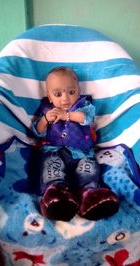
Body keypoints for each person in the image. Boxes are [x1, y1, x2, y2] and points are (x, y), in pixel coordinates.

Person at [32, 66, 119, 221]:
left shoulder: (84, 106)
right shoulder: (46, 108)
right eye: (58, 94)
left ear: (78, 91)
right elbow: (37, 130)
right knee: (52, 166)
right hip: (55, 150)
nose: (65, 98)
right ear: (50, 97)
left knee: (88, 169)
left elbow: (86, 118)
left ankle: (89, 195)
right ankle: (56, 193)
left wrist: (66, 115)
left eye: (71, 92)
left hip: (82, 152)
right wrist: (45, 119)